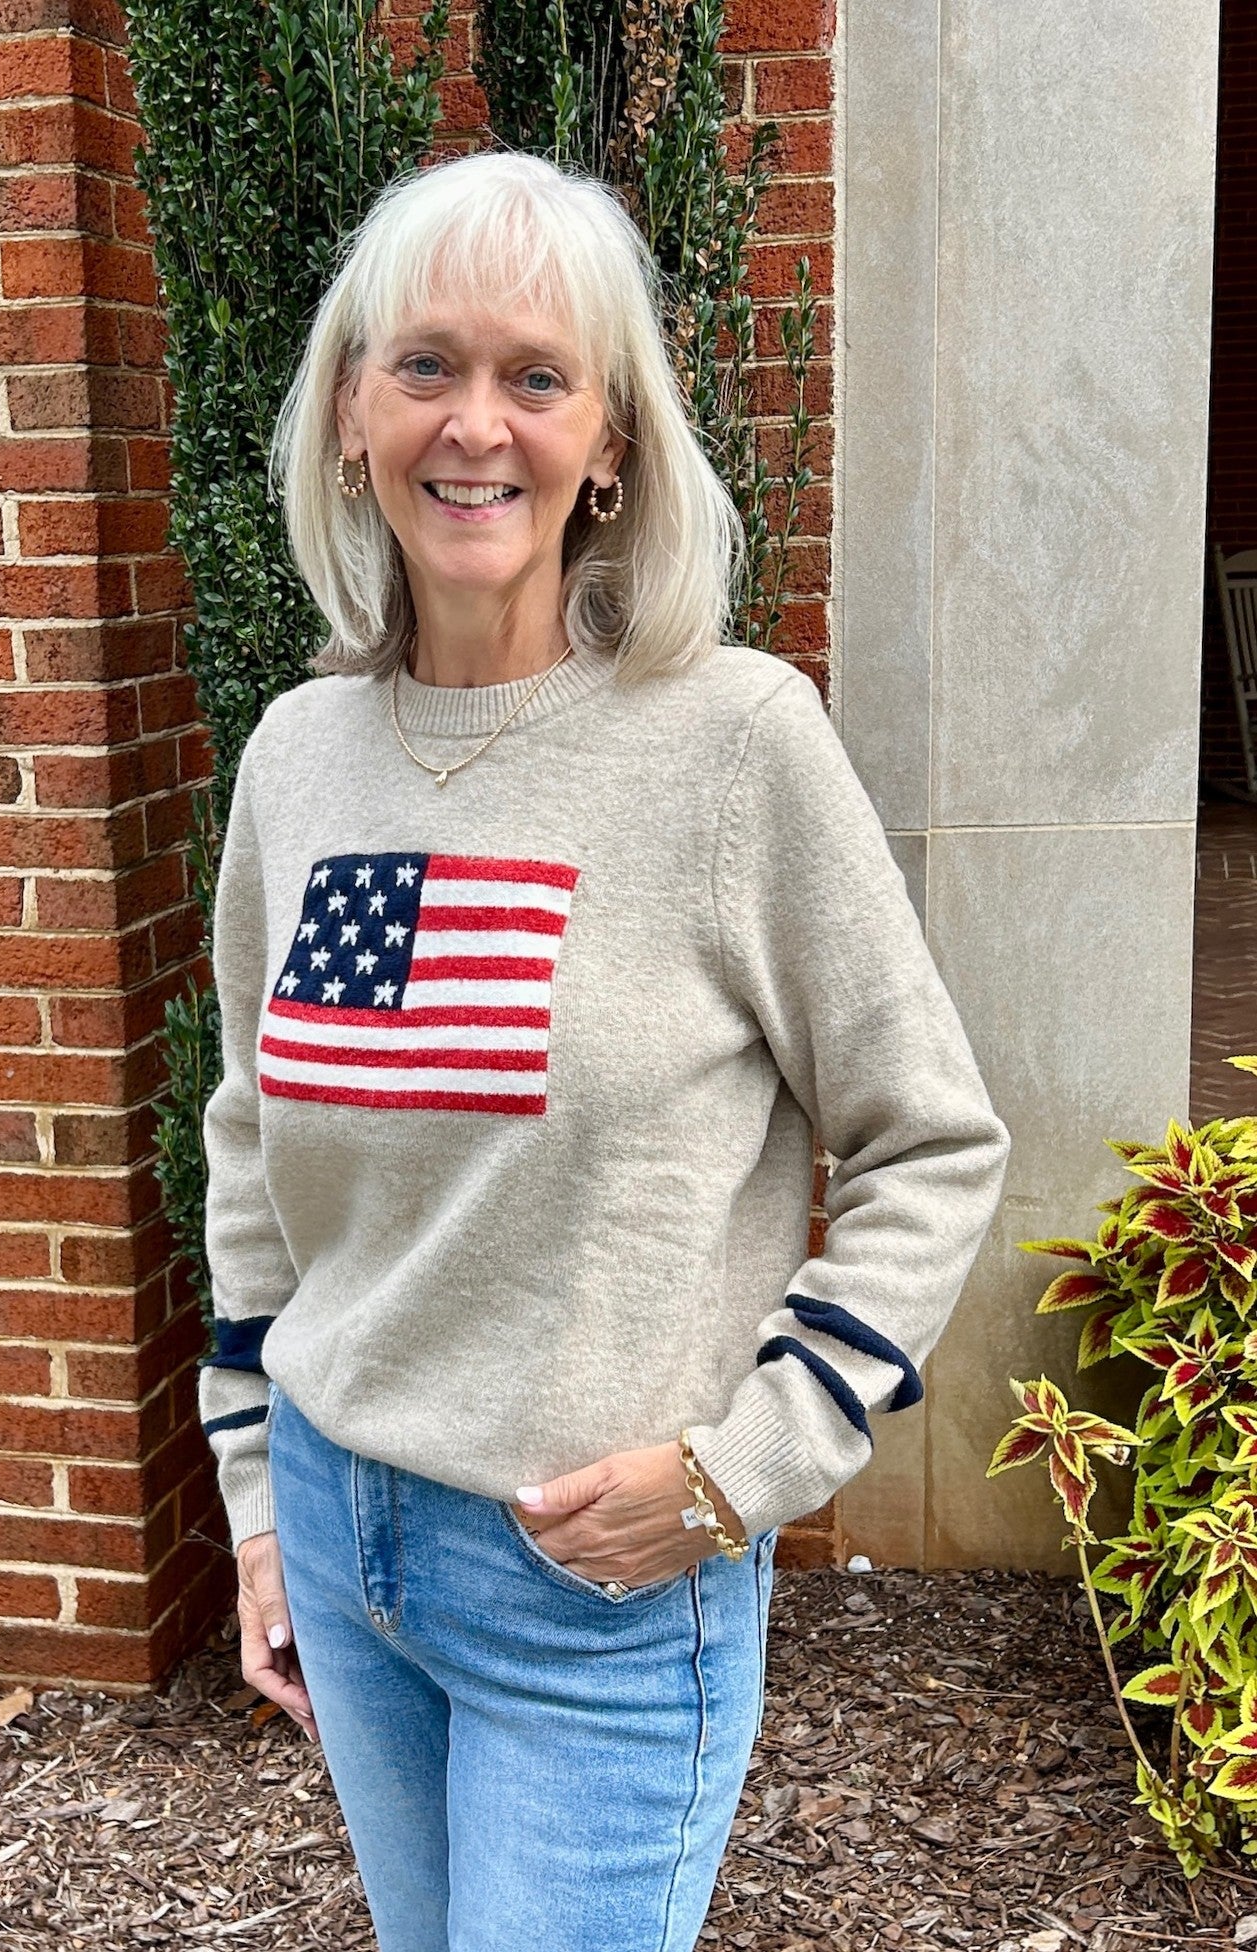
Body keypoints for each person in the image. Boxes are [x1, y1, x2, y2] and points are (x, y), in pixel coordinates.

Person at [197, 147, 1011, 1951]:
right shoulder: (298, 758)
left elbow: (928, 1143)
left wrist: (745, 1465)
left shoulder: (730, 744)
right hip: (347, 1534)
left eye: (536, 377)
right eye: (423, 366)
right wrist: (261, 1500)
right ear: (349, 411)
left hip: (595, 1582)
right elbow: (257, 1144)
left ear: (614, 441)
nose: (473, 426)